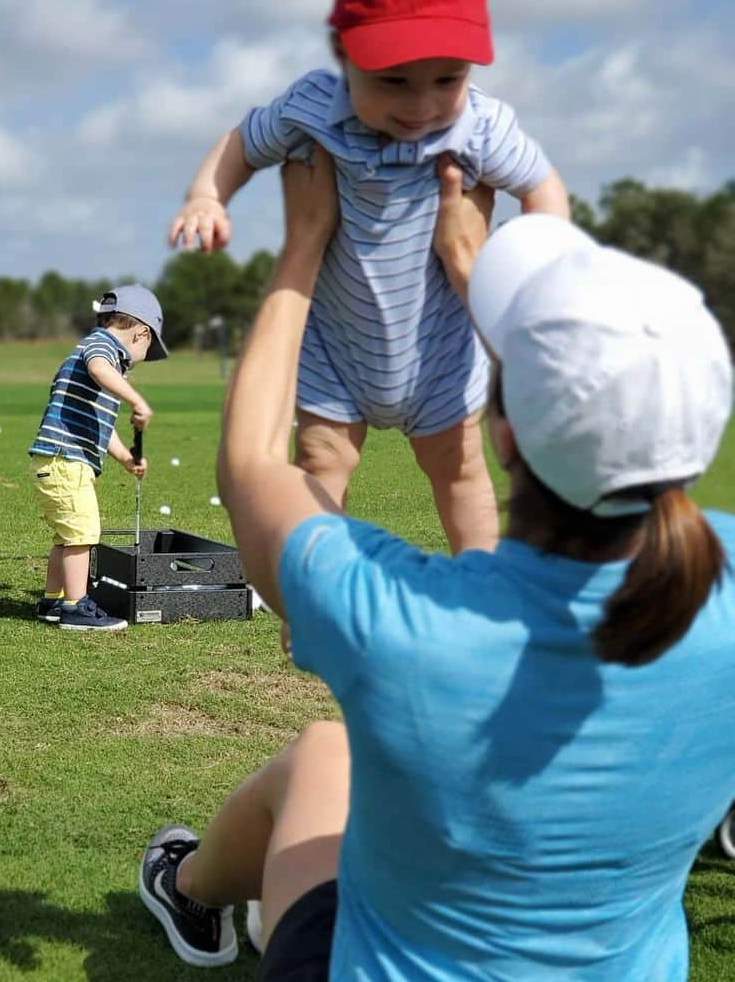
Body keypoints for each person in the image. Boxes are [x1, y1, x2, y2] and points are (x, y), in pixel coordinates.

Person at [138, 149, 735, 978]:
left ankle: (184, 885)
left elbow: (251, 468)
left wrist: (303, 245)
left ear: (502, 433)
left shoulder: (397, 621)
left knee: (322, 753)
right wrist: (470, 273)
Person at [168, 0, 570, 555]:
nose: (420, 106)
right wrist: (207, 195)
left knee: (463, 471)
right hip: (337, 347)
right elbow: (243, 143)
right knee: (320, 463)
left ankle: (485, 586)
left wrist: (546, 262)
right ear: (342, 53)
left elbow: (542, 186)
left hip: (440, 350)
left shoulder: (483, 129)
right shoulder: (313, 109)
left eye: (448, 80)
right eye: (393, 82)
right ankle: (318, 587)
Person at [28, 285, 167, 632]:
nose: (142, 359)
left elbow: (100, 426)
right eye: (148, 349)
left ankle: (53, 602)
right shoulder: (101, 347)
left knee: (66, 537)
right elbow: (98, 369)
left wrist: (126, 458)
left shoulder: (99, 355)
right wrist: (137, 400)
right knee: (82, 534)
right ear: (141, 333)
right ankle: (76, 607)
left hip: (59, 461)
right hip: (66, 459)